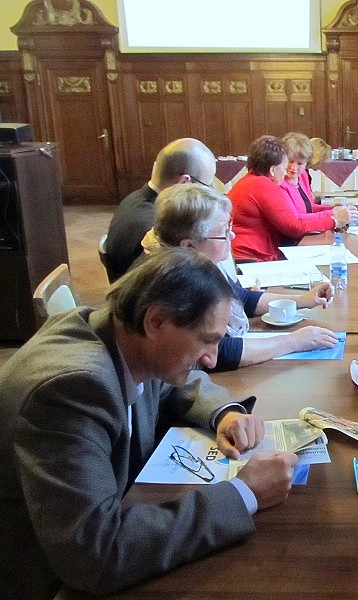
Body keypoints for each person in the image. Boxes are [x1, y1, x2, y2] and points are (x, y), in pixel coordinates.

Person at [0, 248, 299, 600]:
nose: (212, 359)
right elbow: (97, 554)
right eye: (207, 340)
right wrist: (244, 493)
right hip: (45, 581)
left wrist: (224, 413)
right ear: (155, 321)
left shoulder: (120, 334)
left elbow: (172, 382)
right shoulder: (72, 390)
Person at [147, 183, 340, 370]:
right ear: (189, 246)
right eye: (223, 233)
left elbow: (242, 298)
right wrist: (295, 341)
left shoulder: (200, 265)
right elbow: (220, 352)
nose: (232, 236)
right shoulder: (181, 282)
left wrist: (303, 300)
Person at [229, 135, 351, 262]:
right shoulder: (263, 185)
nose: (286, 171)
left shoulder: (252, 180)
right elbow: (293, 227)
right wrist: (334, 221)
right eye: (285, 166)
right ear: (273, 170)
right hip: (252, 259)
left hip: (252, 255)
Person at [105, 138, 216, 277]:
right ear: (184, 182)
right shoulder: (158, 227)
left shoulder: (133, 200)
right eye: (207, 186)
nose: (209, 192)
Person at [281, 132, 339, 216]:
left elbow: (310, 207)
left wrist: (334, 209)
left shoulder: (303, 175)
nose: (294, 168)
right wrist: (332, 213)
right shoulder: (279, 181)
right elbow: (294, 219)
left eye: (300, 163)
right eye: (290, 161)